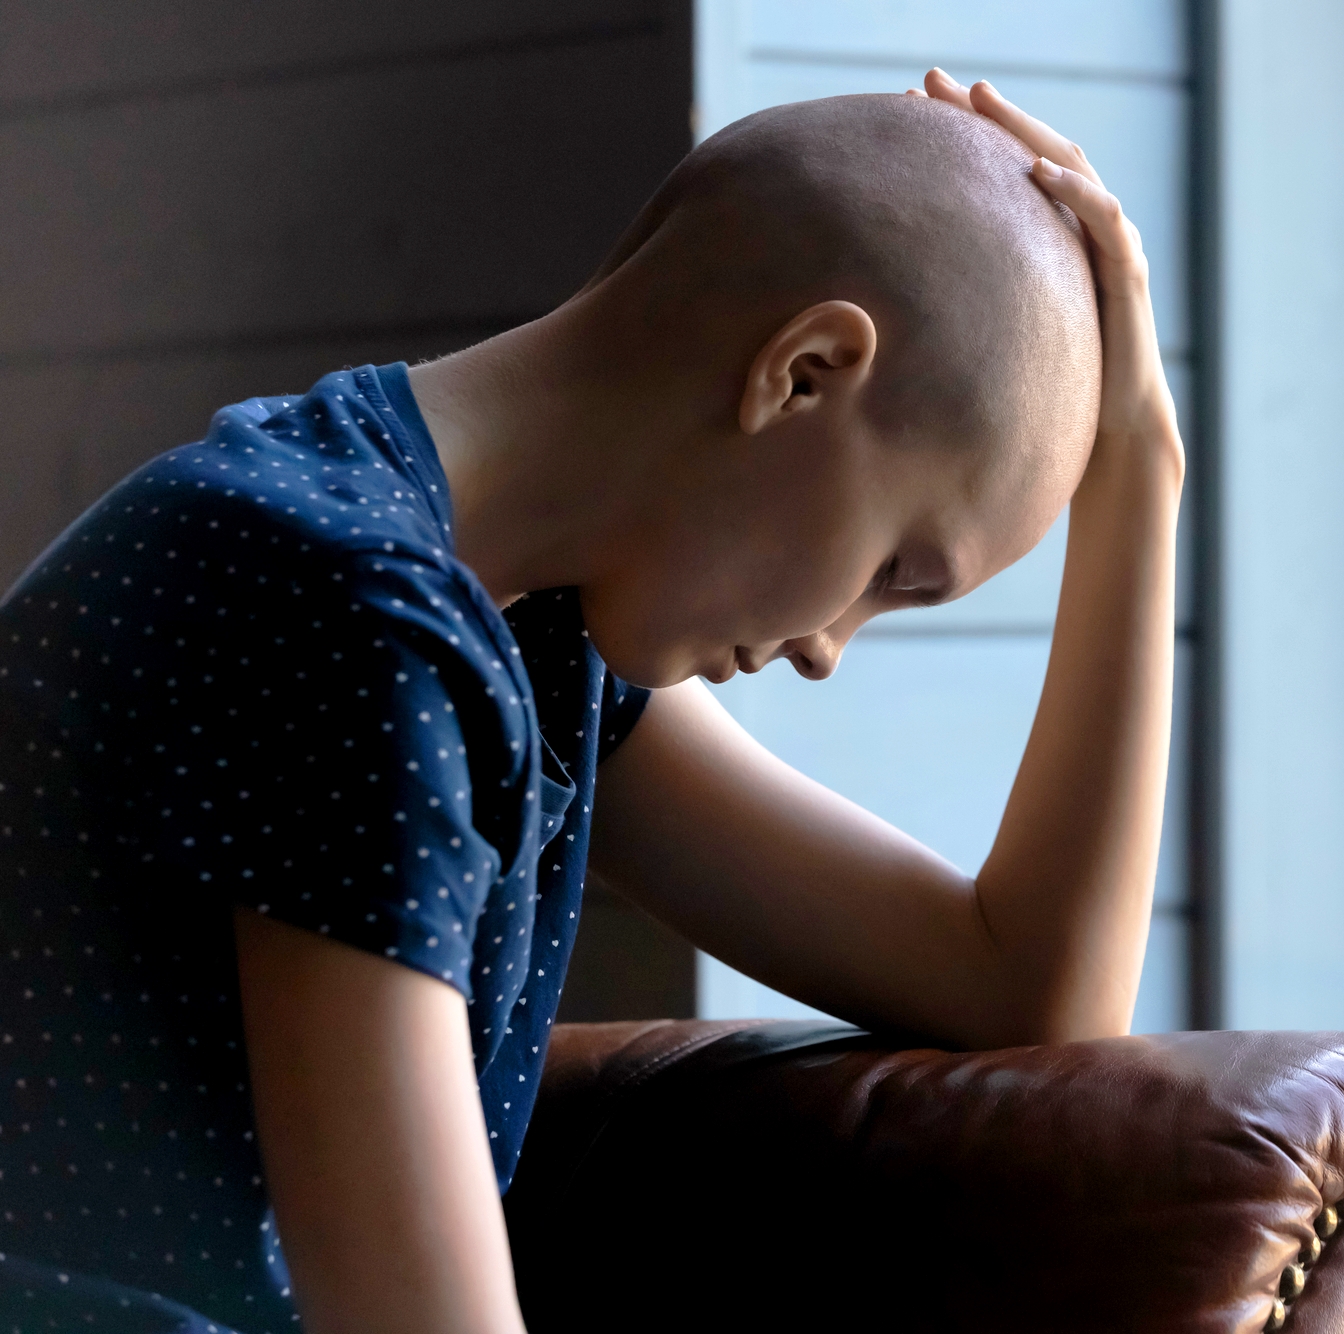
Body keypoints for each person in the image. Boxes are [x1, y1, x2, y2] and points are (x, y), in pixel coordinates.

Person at [0, 70, 1181, 1334]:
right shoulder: (344, 608)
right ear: (803, 372)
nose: (829, 650)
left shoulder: (515, 619)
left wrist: (1138, 466)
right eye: (891, 570)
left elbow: (1027, 993)